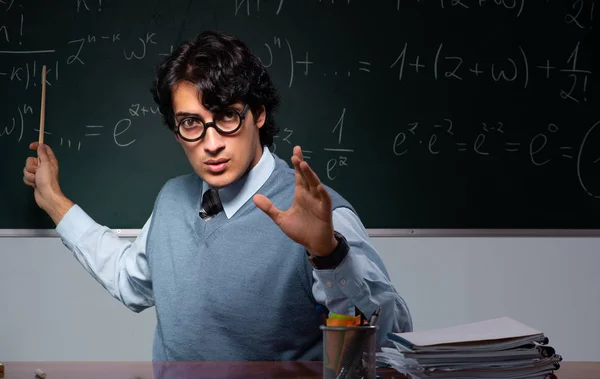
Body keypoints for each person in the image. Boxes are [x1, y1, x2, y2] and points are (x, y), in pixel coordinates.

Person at [22, 30, 412, 361]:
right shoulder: (173, 200)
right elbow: (131, 281)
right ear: (177, 131)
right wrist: (55, 201)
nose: (211, 144)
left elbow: (389, 342)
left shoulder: (318, 214)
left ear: (257, 114)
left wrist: (329, 254)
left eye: (227, 116)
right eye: (191, 123)